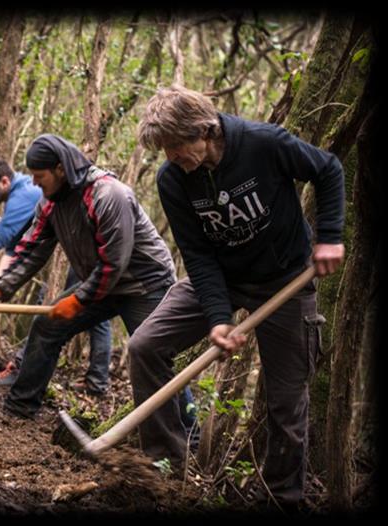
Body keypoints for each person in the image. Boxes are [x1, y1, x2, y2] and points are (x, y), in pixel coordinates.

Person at [132, 84, 344, 506]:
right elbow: (197, 253)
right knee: (144, 346)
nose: (171, 156)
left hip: (285, 279)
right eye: (165, 149)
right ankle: (164, 470)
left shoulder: (264, 143)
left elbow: (328, 169)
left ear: (205, 131)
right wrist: (217, 318)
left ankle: (282, 497)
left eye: (176, 145)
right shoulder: (172, 179)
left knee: (287, 402)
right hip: (222, 278)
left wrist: (330, 237)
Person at [0, 135, 178, 451]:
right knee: (47, 326)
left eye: (40, 177)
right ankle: (19, 410)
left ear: (60, 169)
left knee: (150, 355)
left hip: (144, 283)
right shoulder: (50, 202)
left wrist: (78, 299)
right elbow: (31, 250)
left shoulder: (109, 195)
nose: (36, 184)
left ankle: (185, 434)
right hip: (102, 278)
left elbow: (115, 261)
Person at [0, 158, 113, 393]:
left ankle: (24, 370)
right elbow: (13, 248)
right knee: (94, 313)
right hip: (83, 254)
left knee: (52, 315)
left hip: (88, 254)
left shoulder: (24, 194)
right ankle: (97, 380)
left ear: (5, 181)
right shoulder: (19, 196)